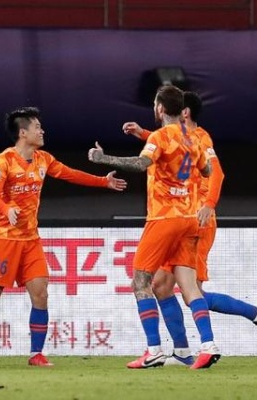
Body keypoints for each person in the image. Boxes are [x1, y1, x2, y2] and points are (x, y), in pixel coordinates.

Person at [122, 91, 257, 365]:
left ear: (184, 112)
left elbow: (216, 173)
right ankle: (183, 351)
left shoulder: (201, 138)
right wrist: (144, 134)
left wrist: (209, 204)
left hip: (198, 219)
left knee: (191, 291)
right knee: (161, 286)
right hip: (183, 217)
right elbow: (168, 147)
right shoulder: (180, 138)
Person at [0, 107, 127, 368]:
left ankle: (36, 354)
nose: (42, 131)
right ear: (23, 133)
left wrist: (103, 182)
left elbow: (70, 174)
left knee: (41, 293)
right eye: (37, 127)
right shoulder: (3, 160)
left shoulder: (43, 159)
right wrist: (7, 209)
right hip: (3, 238)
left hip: (30, 239)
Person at [88, 85, 220, 370]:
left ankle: (154, 350)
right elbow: (207, 170)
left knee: (140, 282)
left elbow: (141, 163)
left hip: (163, 218)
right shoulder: (192, 138)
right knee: (188, 287)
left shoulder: (160, 136)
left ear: (160, 108)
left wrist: (104, 159)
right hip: (190, 218)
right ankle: (208, 345)